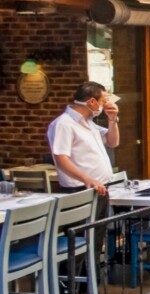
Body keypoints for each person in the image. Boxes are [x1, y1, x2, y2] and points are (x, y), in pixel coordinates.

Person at [48, 82, 120, 217]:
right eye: (104, 101)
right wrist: (87, 179)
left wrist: (112, 120)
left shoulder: (89, 122)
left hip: (99, 188)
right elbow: (61, 158)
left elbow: (112, 142)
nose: (105, 105)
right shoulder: (64, 124)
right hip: (80, 189)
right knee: (85, 236)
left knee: (98, 236)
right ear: (92, 102)